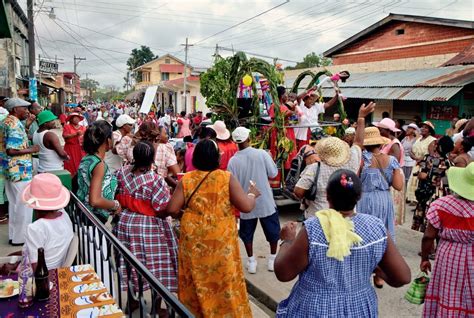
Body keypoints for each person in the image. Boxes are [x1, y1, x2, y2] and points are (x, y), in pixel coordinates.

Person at [274, 169, 411, 317]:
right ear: (359, 196)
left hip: (315, 309)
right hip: (359, 308)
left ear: (327, 196)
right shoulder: (375, 227)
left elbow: (283, 273)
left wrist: (287, 240)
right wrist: (375, 268)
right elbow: (402, 277)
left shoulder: (314, 228)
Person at [166, 139, 260, 317]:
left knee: (196, 278)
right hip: (220, 239)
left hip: (194, 240)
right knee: (224, 278)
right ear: (216, 158)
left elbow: (172, 209)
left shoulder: (187, 179)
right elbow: (246, 206)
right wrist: (252, 194)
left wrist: (189, 214)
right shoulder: (226, 178)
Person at [115, 141, 177, 312]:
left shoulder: (122, 173)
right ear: (151, 159)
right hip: (149, 227)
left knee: (130, 263)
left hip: (125, 223)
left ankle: (133, 301)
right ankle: (157, 307)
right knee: (156, 266)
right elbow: (162, 207)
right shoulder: (155, 180)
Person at [294, 102, 375, 219]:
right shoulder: (352, 161)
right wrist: (361, 117)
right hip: (346, 220)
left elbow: (298, 191)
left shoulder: (314, 168)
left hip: (318, 218)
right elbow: (358, 142)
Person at [420, 162, 474, 317]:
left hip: (449, 255)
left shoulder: (442, 205)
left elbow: (429, 236)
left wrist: (424, 259)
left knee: (448, 292)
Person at [357, 127, 404, 288]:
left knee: (363, 236)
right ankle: (379, 275)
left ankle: (362, 273)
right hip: (384, 200)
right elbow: (398, 186)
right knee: (383, 236)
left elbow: (354, 181)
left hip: (365, 199)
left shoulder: (362, 160)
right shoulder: (391, 161)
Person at [228, 127, 280, 274]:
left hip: (246, 203)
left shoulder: (233, 161)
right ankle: (272, 259)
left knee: (247, 234)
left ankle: (251, 261)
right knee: (273, 232)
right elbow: (273, 173)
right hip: (265, 201)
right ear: (249, 139)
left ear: (235, 142)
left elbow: (233, 184)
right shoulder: (261, 154)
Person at [2, 98, 39, 245]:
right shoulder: (14, 124)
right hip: (20, 170)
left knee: (14, 204)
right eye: (24, 108)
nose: (27, 111)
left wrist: (27, 127)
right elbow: (11, 150)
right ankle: (21, 238)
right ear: (15, 109)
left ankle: (14, 236)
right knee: (24, 205)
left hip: (10, 169)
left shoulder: (7, 121)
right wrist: (32, 149)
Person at [21, 173, 73, 270]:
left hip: (43, 275)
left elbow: (36, 266)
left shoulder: (36, 228)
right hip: (58, 269)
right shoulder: (64, 215)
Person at [77, 121, 121, 223]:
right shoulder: (99, 164)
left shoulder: (87, 158)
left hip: (84, 214)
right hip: (93, 218)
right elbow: (95, 200)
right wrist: (115, 204)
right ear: (108, 140)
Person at [412, 136, 454, 232]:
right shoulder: (449, 163)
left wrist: (425, 176)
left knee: (427, 220)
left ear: (438, 147)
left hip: (428, 194)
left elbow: (421, 174)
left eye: (436, 143)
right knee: (436, 222)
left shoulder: (429, 159)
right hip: (441, 196)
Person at [374, 118, 406, 226]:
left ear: (388, 131)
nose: (379, 131)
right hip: (385, 176)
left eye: (381, 129)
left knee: (388, 209)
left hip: (393, 177)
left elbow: (393, 163)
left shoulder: (394, 144)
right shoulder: (384, 142)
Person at [406, 121, 437, 204]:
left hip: (424, 165)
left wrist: (422, 159)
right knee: (414, 182)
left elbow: (431, 155)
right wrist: (415, 157)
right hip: (416, 163)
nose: (423, 129)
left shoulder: (432, 140)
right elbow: (411, 150)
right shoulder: (419, 139)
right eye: (422, 127)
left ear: (430, 131)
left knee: (421, 184)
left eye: (426, 128)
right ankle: (414, 200)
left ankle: (420, 202)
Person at [63, 112, 86, 178]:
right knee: (70, 165)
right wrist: (75, 134)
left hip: (80, 149)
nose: (76, 119)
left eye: (77, 117)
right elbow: (65, 136)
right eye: (74, 117)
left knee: (81, 165)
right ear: (71, 119)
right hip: (70, 148)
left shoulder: (83, 128)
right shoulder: (67, 127)